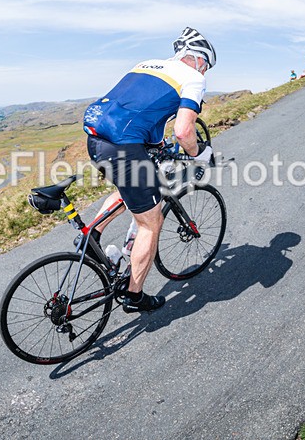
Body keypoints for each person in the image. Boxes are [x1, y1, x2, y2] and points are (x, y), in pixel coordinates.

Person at [82, 27, 216, 313]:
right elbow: (183, 130)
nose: (205, 72)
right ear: (197, 59)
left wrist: (157, 145)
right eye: (206, 66)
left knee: (127, 190)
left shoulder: (145, 64)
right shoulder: (192, 78)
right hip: (125, 148)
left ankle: (91, 237)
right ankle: (134, 295)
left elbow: (143, 111)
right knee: (150, 222)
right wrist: (200, 153)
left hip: (96, 138)